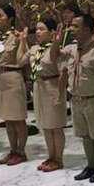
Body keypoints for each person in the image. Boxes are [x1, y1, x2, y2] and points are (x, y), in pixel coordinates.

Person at [62, 14, 94, 182]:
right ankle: (90, 165)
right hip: (77, 99)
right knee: (85, 135)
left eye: (76, 26)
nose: (72, 29)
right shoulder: (73, 49)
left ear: (87, 29)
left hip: (93, 99)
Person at [20, 18, 67, 171]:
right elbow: (20, 61)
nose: (38, 32)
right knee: (45, 126)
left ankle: (58, 159)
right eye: (37, 29)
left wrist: (60, 94)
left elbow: (62, 72)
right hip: (38, 87)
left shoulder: (56, 48)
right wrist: (23, 41)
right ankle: (51, 156)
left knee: (55, 126)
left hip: (52, 87)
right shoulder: (35, 48)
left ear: (51, 32)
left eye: (42, 29)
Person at [0, 5, 29, 165]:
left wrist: (28, 80)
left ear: (10, 18)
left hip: (13, 77)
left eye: (1, 16)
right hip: (0, 77)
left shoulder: (17, 36)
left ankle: (21, 151)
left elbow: (25, 59)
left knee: (18, 118)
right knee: (8, 118)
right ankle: (13, 149)